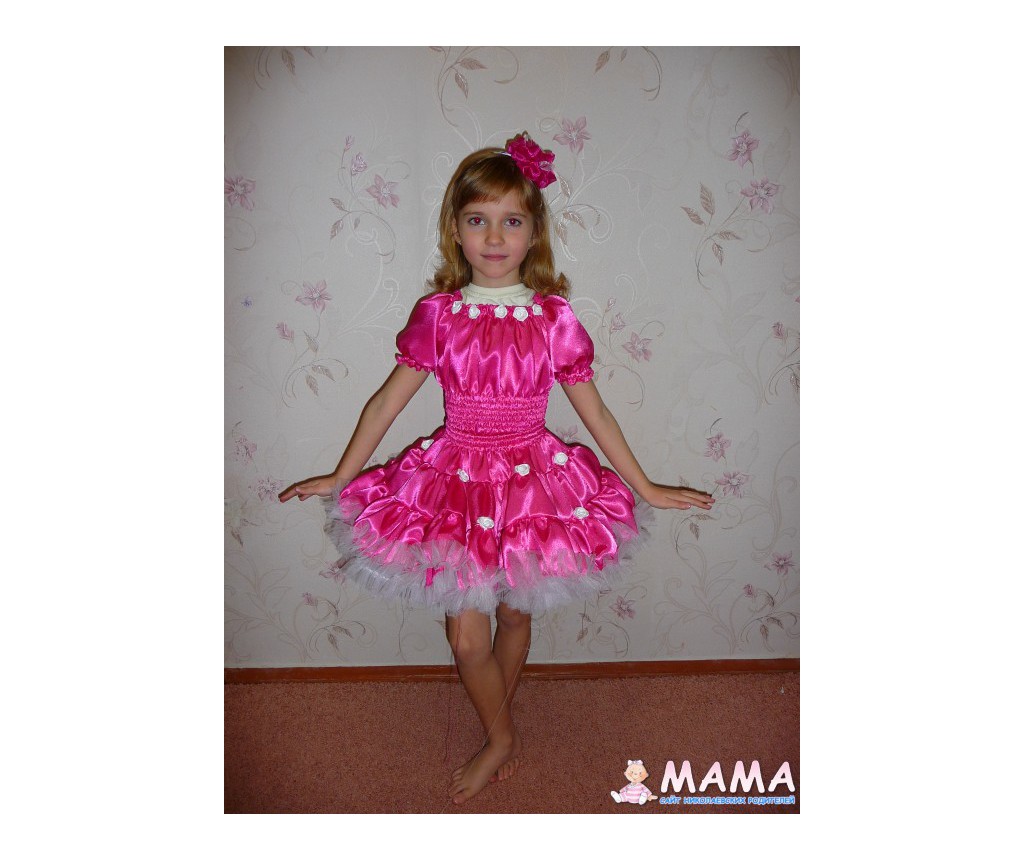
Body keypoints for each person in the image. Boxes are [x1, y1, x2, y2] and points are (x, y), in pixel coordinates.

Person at [279, 132, 714, 804]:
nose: (493, 236)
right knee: (465, 637)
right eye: (478, 219)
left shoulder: (552, 318)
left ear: (533, 232)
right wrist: (342, 476)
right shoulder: (439, 316)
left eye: (512, 221)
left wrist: (646, 486)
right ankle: (503, 737)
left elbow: (596, 412)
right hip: (453, 480)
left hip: (534, 481)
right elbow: (386, 403)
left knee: (516, 613)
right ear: (455, 230)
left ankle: (495, 721)